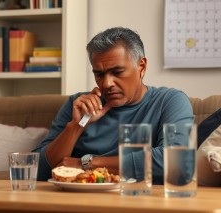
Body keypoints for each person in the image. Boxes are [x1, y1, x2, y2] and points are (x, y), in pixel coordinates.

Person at [32, 27, 194, 184]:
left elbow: (176, 161)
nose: (107, 83)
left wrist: (87, 164)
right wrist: (76, 126)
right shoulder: (79, 105)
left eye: (117, 72)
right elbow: (35, 171)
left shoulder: (170, 101)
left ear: (141, 67)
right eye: (99, 74)